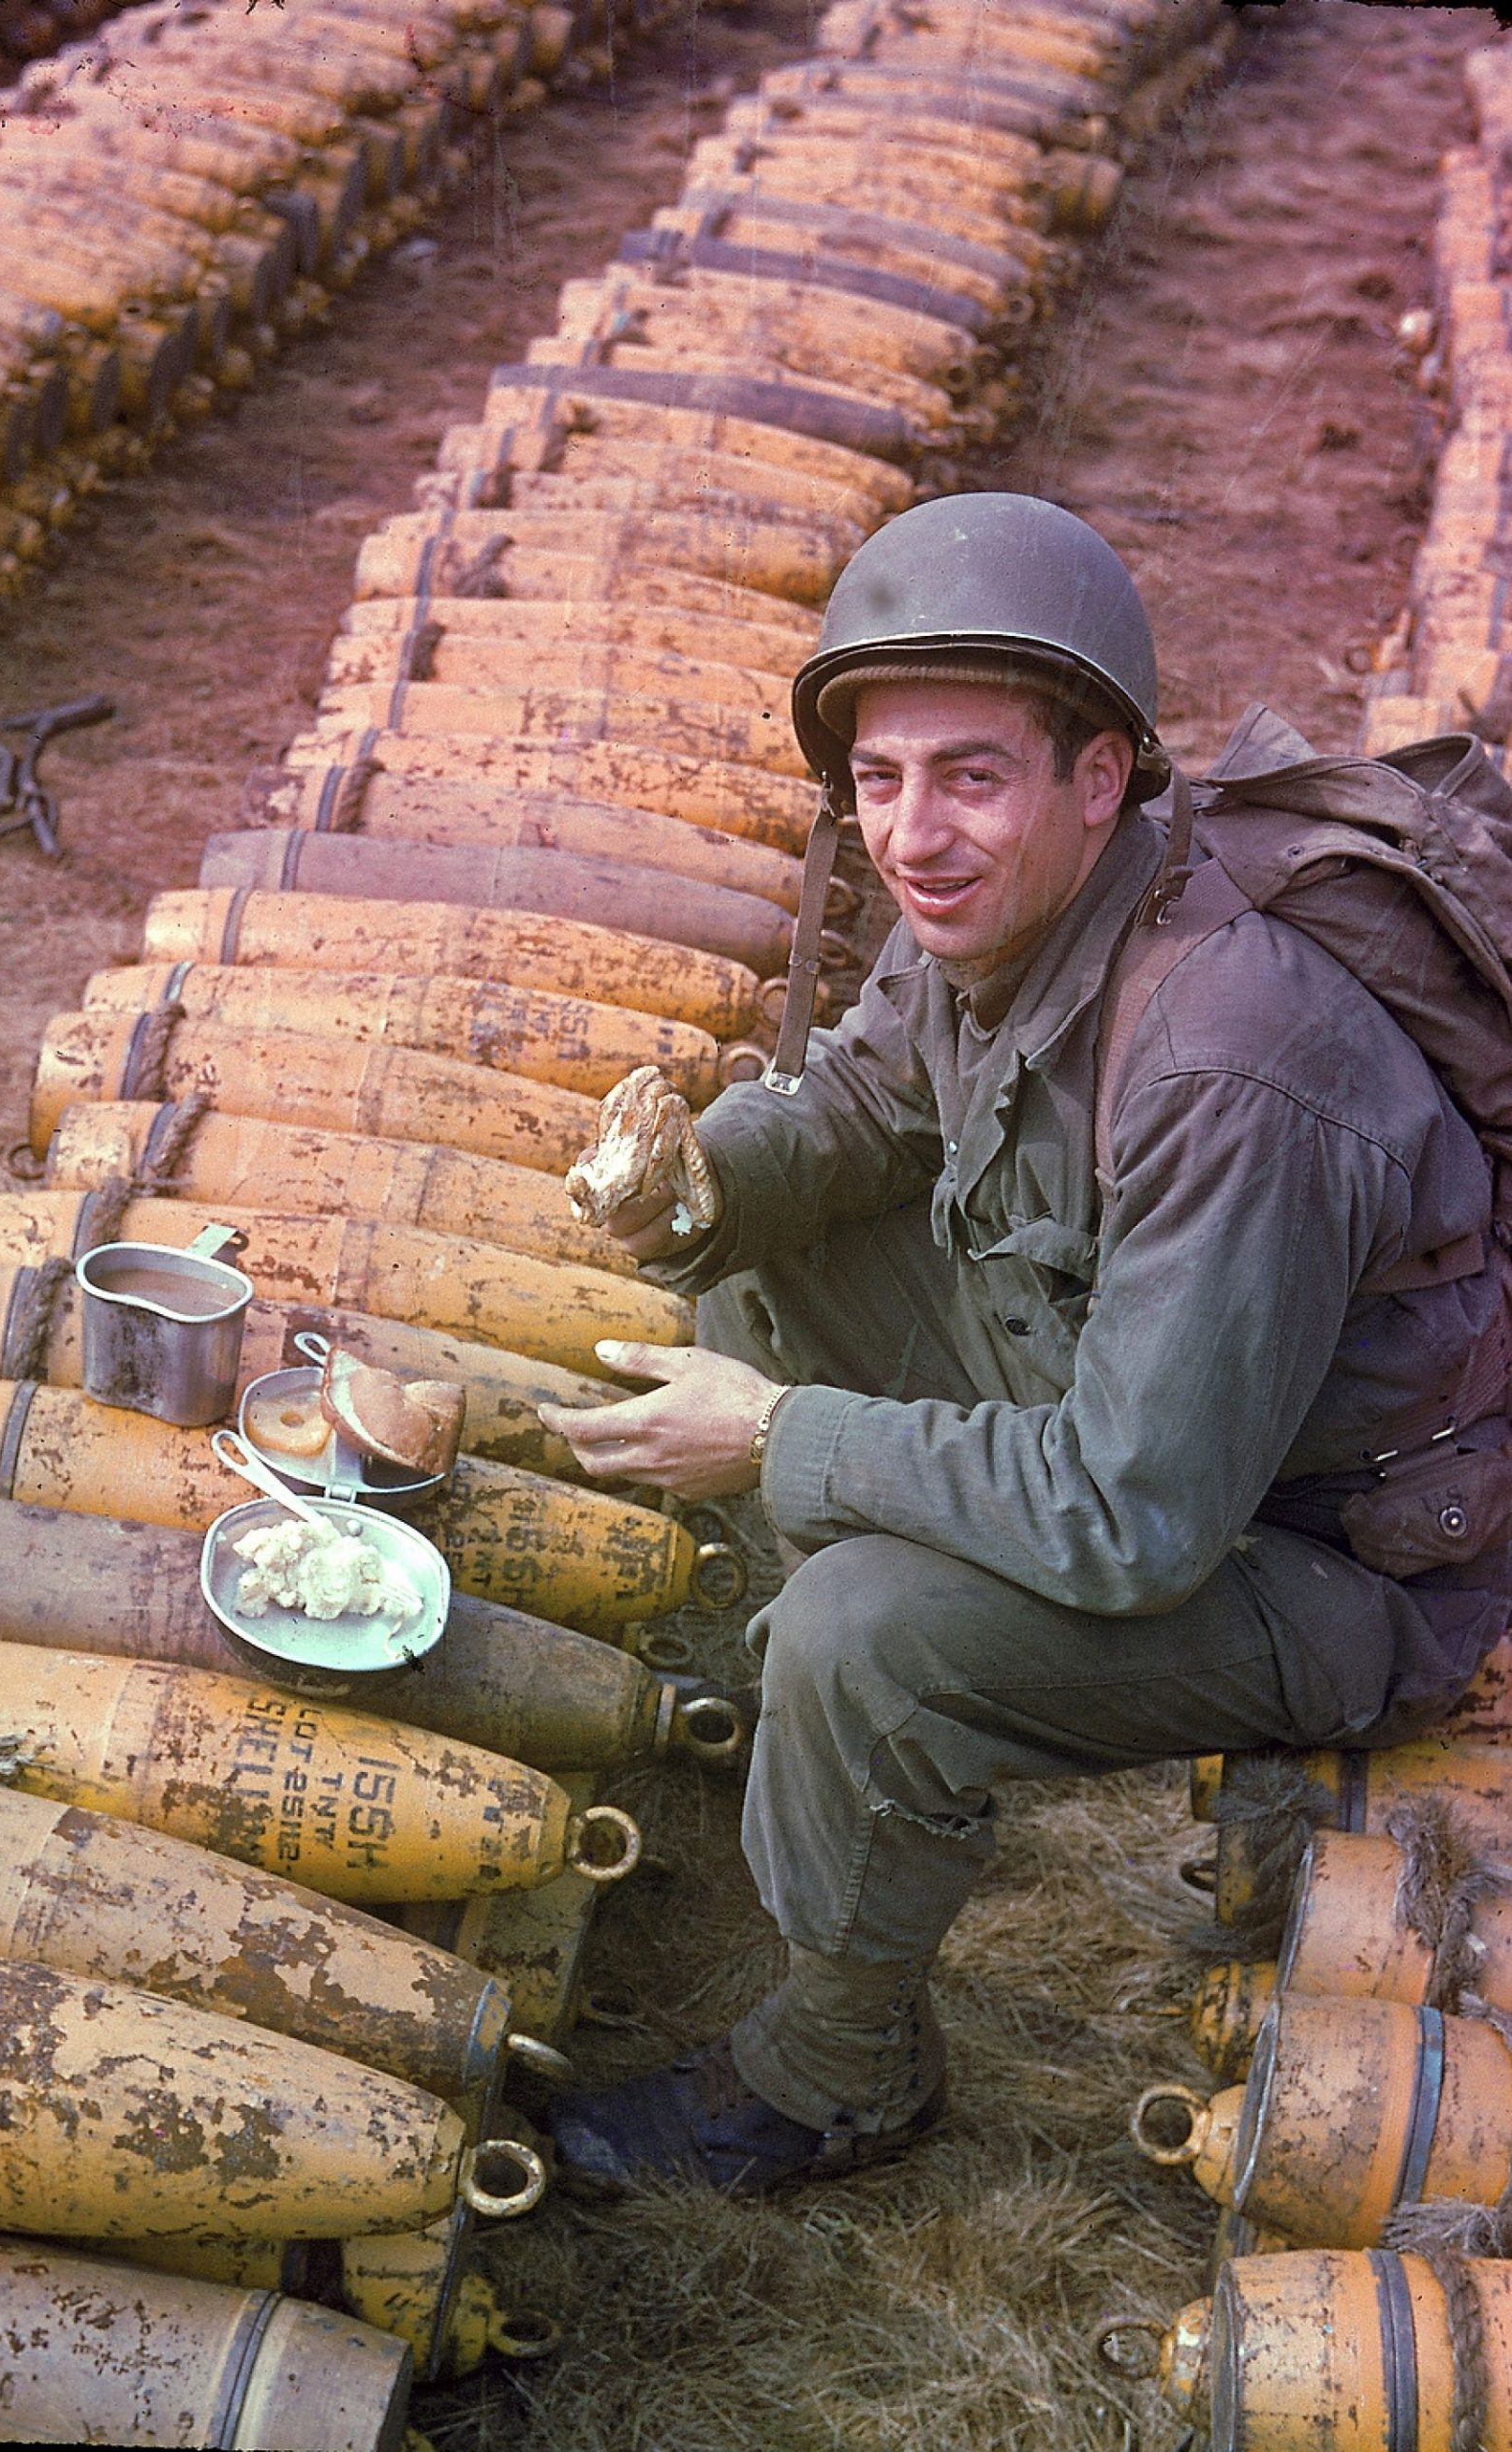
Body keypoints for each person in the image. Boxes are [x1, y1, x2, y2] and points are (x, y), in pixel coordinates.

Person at [535, 491, 1512, 2196]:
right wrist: (705, 1185)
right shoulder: (1023, 908)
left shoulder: (1230, 1059)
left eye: (970, 776)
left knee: (859, 1632)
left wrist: (779, 1441)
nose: (914, 834)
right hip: (1157, 1420)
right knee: (764, 1272)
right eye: (878, 780)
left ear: (1100, 776)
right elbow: (863, 1098)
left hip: (1322, 1562)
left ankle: (836, 2079)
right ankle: (877, 1764)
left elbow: (1133, 1516)